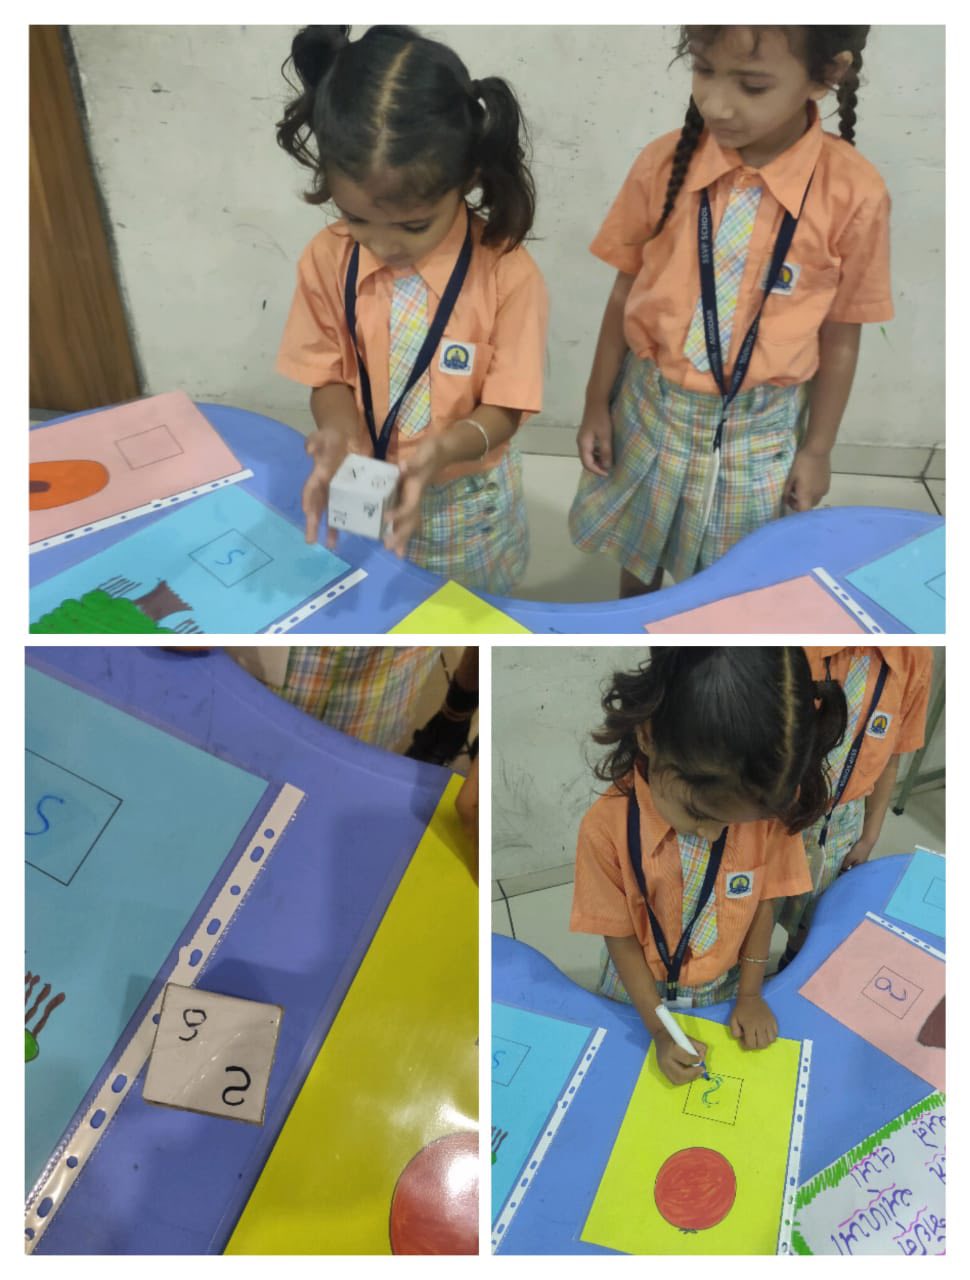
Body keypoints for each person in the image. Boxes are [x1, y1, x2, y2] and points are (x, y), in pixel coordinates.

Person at [570, 25, 891, 597]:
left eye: (752, 85)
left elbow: (842, 336)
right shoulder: (664, 163)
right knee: (639, 550)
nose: (716, 104)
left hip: (757, 434)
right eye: (704, 69)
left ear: (827, 74)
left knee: (730, 582)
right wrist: (597, 402)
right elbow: (625, 292)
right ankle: (636, 630)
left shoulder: (854, 194)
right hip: (649, 408)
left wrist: (817, 450)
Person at [275, 24, 548, 594]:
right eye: (357, 218)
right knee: (374, 600)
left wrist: (442, 450)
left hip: (464, 502)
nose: (384, 244)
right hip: (364, 479)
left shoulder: (507, 273)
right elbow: (327, 375)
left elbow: (507, 407)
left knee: (465, 614)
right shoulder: (327, 259)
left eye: (415, 224)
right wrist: (336, 431)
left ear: (466, 179)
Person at [570, 647, 847, 1084]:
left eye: (733, 822)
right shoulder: (604, 829)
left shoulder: (766, 807)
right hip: (638, 995)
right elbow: (620, 938)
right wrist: (659, 1030)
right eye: (700, 814)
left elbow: (764, 903)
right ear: (649, 737)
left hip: (725, 986)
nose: (714, 834)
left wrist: (751, 993)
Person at [776, 646, 934, 969]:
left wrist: (869, 837)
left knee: (814, 919)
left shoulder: (913, 657)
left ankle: (790, 967)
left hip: (842, 822)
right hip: (778, 813)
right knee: (753, 914)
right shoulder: (806, 646)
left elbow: (891, 757)